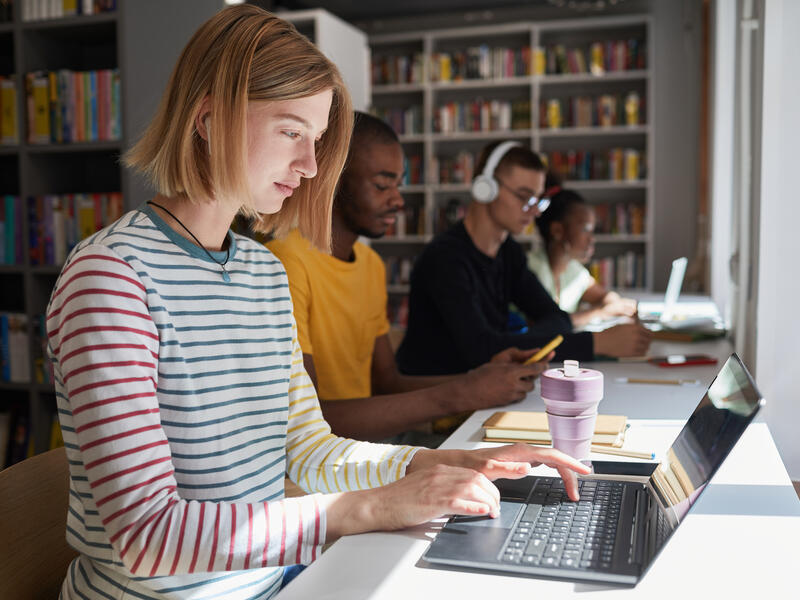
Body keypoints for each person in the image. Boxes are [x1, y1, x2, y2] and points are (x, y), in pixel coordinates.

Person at [45, 7, 589, 599]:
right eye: (290, 132)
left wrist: (441, 465)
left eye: (317, 140)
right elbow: (148, 535)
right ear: (207, 118)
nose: (309, 167)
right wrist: (368, 508)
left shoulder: (261, 272)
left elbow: (309, 449)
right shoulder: (111, 279)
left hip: (274, 582)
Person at [268, 112, 550, 444]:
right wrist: (463, 394)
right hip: (324, 464)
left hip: (371, 449)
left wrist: (480, 379)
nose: (398, 200)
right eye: (382, 185)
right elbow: (311, 421)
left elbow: (388, 383)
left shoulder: (370, 264)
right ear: (334, 178)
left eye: (398, 184)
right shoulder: (285, 262)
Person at [396, 140, 651, 377]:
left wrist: (516, 340)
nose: (533, 210)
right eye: (524, 196)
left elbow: (556, 318)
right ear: (486, 188)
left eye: (538, 199)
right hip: (437, 401)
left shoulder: (508, 252)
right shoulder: (445, 258)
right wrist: (594, 342)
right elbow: (482, 350)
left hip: (485, 389)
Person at [528, 182, 638, 327]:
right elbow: (547, 324)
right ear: (557, 231)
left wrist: (616, 304)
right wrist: (600, 312)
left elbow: (602, 295)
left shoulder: (573, 270)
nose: (592, 239)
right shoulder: (532, 268)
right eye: (585, 229)